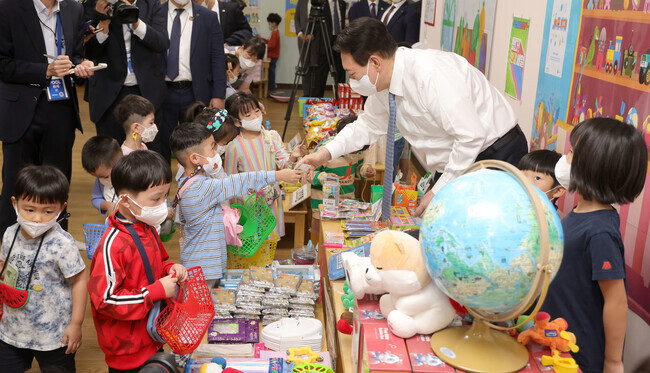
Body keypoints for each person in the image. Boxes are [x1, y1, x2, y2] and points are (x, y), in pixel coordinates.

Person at [298, 18, 527, 219]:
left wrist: (439, 190)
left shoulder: (430, 75)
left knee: (483, 238)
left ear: (375, 62)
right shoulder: (384, 84)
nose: (352, 82)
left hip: (494, 154)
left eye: (353, 74)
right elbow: (367, 125)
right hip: (456, 162)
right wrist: (325, 153)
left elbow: (470, 135)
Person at [541, 118, 648, 373]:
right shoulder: (581, 211)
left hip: (578, 358)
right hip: (556, 341)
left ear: (592, 166)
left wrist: (613, 363)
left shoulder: (600, 231)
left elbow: (616, 301)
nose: (564, 159)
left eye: (571, 153)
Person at [0, 0, 97, 238]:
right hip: (20, 109)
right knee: (16, 184)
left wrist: (80, 67)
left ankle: (57, 250)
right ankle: (9, 252)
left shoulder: (73, 9)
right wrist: (45, 69)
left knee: (58, 184)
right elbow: (3, 64)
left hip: (61, 108)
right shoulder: (8, 8)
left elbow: (74, 56)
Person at [87, 150, 189, 372]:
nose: (164, 205)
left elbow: (159, 261)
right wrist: (155, 292)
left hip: (153, 335)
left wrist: (171, 268)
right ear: (125, 200)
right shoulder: (112, 245)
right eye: (156, 199)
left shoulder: (146, 227)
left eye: (165, 196)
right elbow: (105, 300)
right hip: (126, 351)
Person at [170, 121, 301, 287]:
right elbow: (240, 181)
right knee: (204, 310)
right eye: (212, 148)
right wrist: (278, 175)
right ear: (195, 158)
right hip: (203, 268)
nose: (216, 151)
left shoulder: (191, 181)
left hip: (203, 264)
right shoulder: (201, 188)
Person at [0, 165, 87, 372]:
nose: (37, 218)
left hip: (54, 335)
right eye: (29, 209)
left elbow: (80, 281)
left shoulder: (63, 244)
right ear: (15, 203)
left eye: (48, 211)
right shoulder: (9, 234)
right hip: (12, 330)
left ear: (61, 208)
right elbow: (4, 266)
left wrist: (76, 323)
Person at [85, 0, 169, 152]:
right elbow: (88, 51)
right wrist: (103, 21)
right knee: (111, 156)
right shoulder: (96, 4)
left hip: (146, 93)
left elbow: (162, 43)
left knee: (151, 155)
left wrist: (135, 20)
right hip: (109, 95)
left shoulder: (151, 4)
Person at [224, 92, 306, 238]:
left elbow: (283, 164)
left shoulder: (271, 136)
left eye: (257, 111)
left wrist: (293, 156)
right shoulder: (234, 147)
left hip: (272, 201)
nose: (256, 117)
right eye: (248, 115)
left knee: (271, 242)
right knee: (252, 242)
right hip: (248, 206)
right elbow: (230, 182)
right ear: (237, 121)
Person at [160, 0, 226, 164]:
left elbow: (217, 57)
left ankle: (196, 187)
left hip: (195, 93)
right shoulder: (156, 14)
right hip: (162, 92)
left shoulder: (208, 17)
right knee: (159, 146)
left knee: (196, 146)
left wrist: (219, 94)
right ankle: (161, 188)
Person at [305, 115, 376, 243]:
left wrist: (365, 170)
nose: (355, 153)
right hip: (322, 201)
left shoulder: (358, 151)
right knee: (319, 226)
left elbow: (358, 169)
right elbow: (307, 173)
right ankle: (315, 251)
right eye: (354, 150)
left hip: (347, 200)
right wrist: (324, 177)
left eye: (358, 150)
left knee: (340, 232)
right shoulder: (325, 151)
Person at [294, 0, 347, 97]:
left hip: (339, 42)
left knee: (340, 74)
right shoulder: (322, 3)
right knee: (319, 74)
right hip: (323, 41)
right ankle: (314, 99)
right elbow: (297, 19)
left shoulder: (342, 3)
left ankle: (340, 101)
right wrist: (302, 34)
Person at [82, 136, 124, 216]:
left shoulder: (133, 176)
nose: (101, 180)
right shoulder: (101, 177)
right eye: (98, 177)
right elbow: (96, 199)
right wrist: (107, 205)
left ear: (120, 163)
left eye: (105, 177)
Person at [262, 13, 281, 93]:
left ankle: (271, 89)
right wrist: (262, 39)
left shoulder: (275, 33)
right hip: (273, 55)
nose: (269, 24)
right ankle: (271, 87)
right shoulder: (274, 32)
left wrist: (263, 46)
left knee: (271, 73)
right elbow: (270, 42)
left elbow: (271, 45)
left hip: (272, 56)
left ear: (274, 23)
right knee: (270, 72)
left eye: (269, 22)